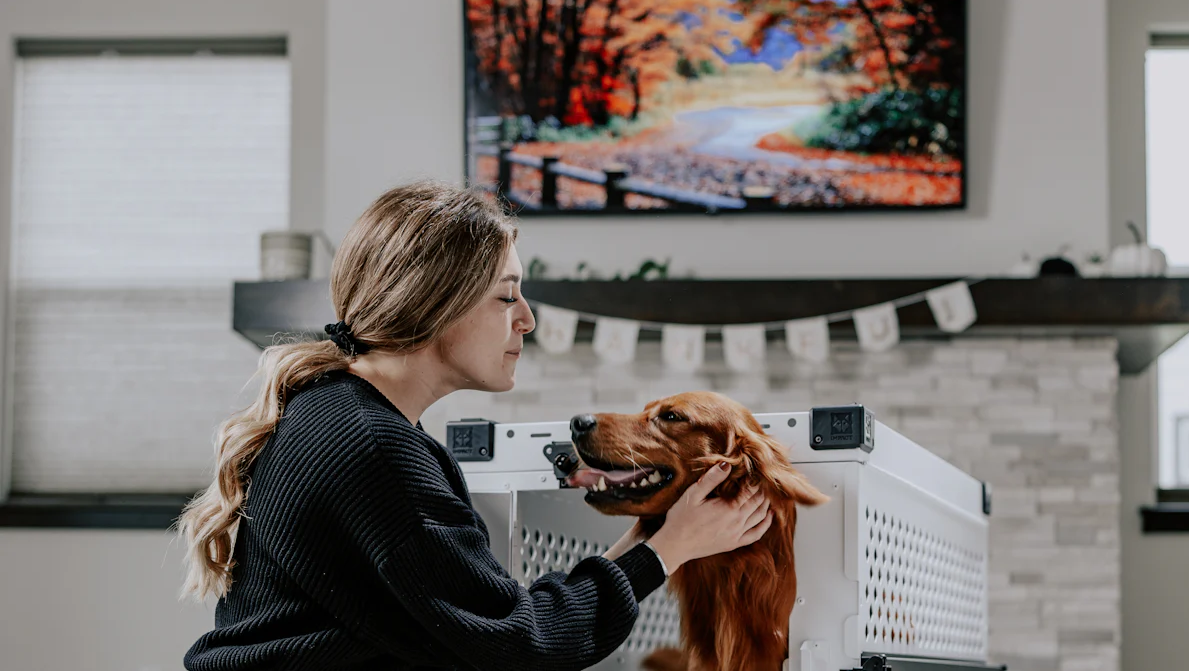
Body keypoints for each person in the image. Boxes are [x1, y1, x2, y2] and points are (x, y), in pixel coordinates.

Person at [177, 180, 774, 671]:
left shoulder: (337, 417)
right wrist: (670, 550)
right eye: (506, 297)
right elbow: (517, 643)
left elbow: (489, 621)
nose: (528, 320)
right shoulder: (376, 449)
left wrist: (654, 537)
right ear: (437, 301)